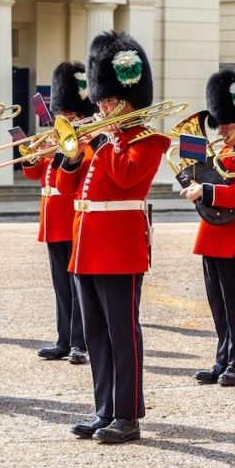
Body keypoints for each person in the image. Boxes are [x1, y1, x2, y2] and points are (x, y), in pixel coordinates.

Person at [58, 31, 170, 444]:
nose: (101, 108)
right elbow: (72, 189)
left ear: (128, 99)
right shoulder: (105, 141)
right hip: (87, 245)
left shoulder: (150, 141)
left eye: (108, 102)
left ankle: (128, 414)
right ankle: (104, 409)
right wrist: (73, 155)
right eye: (101, 101)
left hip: (120, 247)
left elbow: (126, 177)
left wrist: (104, 139)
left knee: (123, 332)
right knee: (96, 335)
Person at [182, 69, 235, 386]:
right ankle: (222, 358)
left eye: (228, 125)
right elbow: (204, 180)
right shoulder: (222, 152)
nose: (222, 129)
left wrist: (205, 190)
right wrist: (192, 173)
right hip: (212, 233)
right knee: (217, 303)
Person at [25, 61, 95, 365]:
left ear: (78, 116)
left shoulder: (84, 145)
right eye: (60, 114)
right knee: (61, 288)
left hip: (72, 218)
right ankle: (64, 339)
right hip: (52, 221)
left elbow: (81, 174)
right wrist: (29, 154)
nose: (60, 119)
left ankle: (80, 341)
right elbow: (35, 174)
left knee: (78, 286)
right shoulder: (56, 144)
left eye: (66, 115)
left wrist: (70, 150)